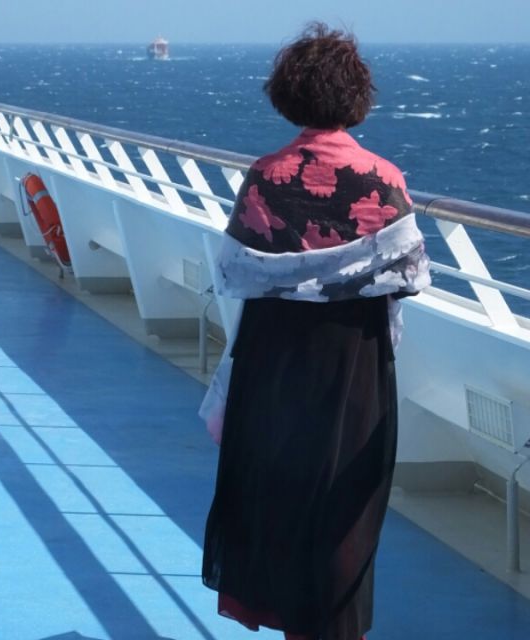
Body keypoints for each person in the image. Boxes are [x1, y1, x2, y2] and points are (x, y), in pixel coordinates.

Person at [200, 23, 430, 640]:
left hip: (273, 357)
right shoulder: (383, 177)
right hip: (353, 361)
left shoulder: (265, 175)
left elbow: (237, 269)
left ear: (289, 95)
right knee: (344, 510)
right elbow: (409, 275)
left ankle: (289, 623)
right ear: (356, 96)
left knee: (277, 497)